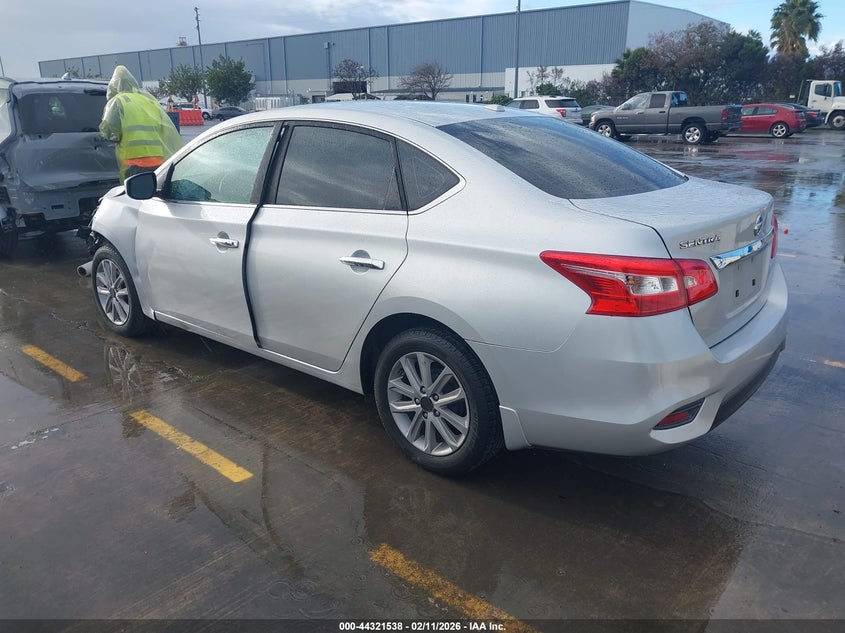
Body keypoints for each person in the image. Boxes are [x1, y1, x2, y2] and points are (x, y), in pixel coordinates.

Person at [99, 65, 183, 183]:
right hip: (157, 160)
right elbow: (166, 130)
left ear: (114, 85)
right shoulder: (149, 101)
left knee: (135, 196)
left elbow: (110, 133)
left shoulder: (117, 102)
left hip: (133, 162)